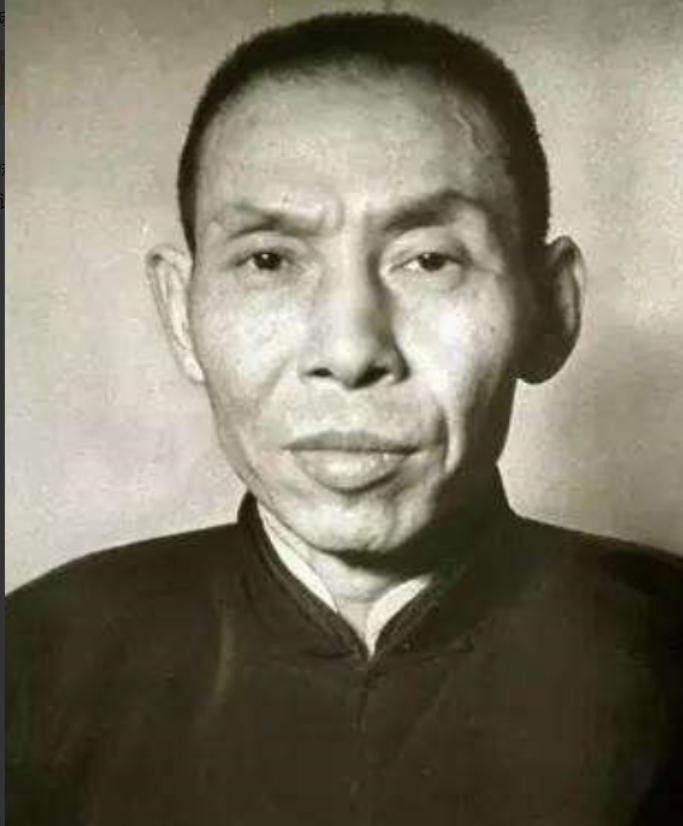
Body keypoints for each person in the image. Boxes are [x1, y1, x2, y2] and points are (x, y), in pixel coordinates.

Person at [6, 12, 682, 825]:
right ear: (182, 316)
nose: (351, 350)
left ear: (550, 309)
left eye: (429, 259)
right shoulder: (33, 663)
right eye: (268, 260)